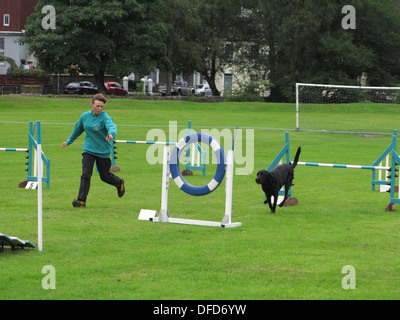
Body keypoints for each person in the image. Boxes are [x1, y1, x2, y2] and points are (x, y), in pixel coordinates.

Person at [62, 93, 125, 207]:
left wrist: (111, 133)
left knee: (104, 176)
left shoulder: (104, 117)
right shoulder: (85, 116)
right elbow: (78, 129)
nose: (100, 109)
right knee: (85, 174)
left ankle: (119, 182)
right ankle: (81, 201)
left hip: (103, 151)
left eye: (102, 106)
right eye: (98, 106)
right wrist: (69, 141)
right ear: (92, 105)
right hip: (89, 150)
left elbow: (112, 126)